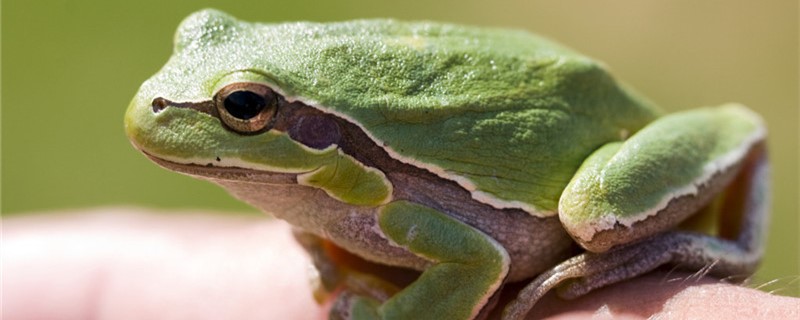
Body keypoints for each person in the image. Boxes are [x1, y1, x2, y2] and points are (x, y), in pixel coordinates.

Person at [4, 208, 798, 319]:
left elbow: (478, 257)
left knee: (598, 214)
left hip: (578, 167)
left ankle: (703, 242)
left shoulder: (389, 204)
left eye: (242, 111)